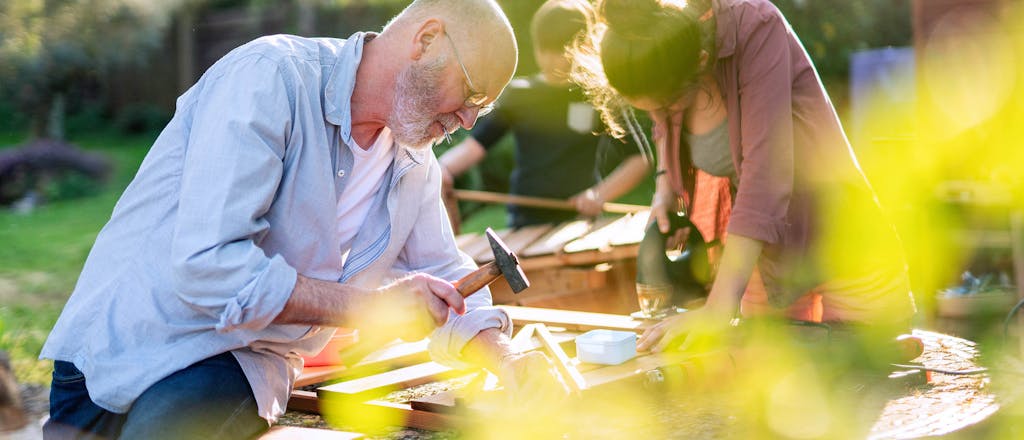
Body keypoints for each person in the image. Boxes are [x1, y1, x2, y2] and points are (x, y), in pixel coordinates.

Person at [39, 1, 568, 438]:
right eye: (473, 94)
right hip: (128, 343)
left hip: (236, 362)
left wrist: (506, 357)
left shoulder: (412, 165)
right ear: (427, 40)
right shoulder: (270, 78)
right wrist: (370, 307)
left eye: (484, 108)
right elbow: (209, 265)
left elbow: (449, 278)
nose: (469, 120)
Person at [571, 0, 916, 353]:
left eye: (668, 105)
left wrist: (718, 309)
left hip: (846, 242)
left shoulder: (755, 25)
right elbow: (664, 126)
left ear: (701, 63)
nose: (662, 118)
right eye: (650, 111)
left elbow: (765, 175)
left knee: (867, 384)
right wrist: (663, 185)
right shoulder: (661, 34)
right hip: (772, 259)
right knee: (768, 391)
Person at [438, 0, 650, 229]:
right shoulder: (520, 96)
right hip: (525, 221)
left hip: (580, 221)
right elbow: (475, 147)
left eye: (562, 51)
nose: (553, 60)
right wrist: (441, 169)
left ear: (585, 47)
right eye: (545, 50)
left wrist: (598, 195)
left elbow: (638, 160)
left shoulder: (598, 95)